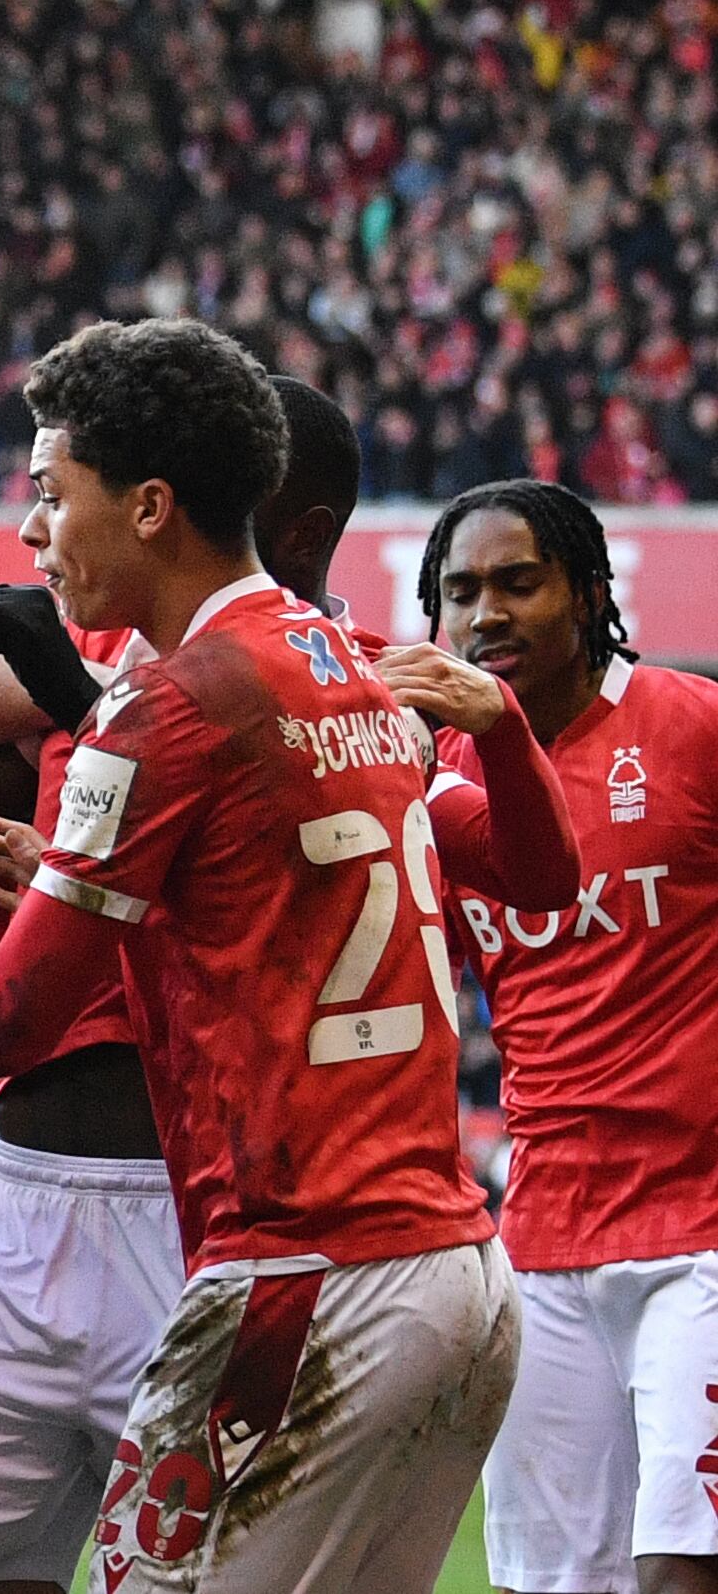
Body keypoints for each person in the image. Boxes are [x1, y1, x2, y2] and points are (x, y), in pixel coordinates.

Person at [0, 375, 578, 1594]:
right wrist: (498, 729)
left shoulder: (161, 702)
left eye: (50, 495)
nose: (32, 530)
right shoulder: (359, 684)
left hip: (275, 1257)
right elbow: (521, 873)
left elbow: (23, 997)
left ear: (152, 509)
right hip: (363, 1252)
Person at [415, 479, 718, 1594]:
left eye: (516, 583)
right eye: (459, 593)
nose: (485, 614)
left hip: (703, 1233)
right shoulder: (438, 785)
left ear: (588, 596)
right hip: (541, 1244)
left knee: (682, 1570)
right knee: (550, 1582)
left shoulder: (692, 727)